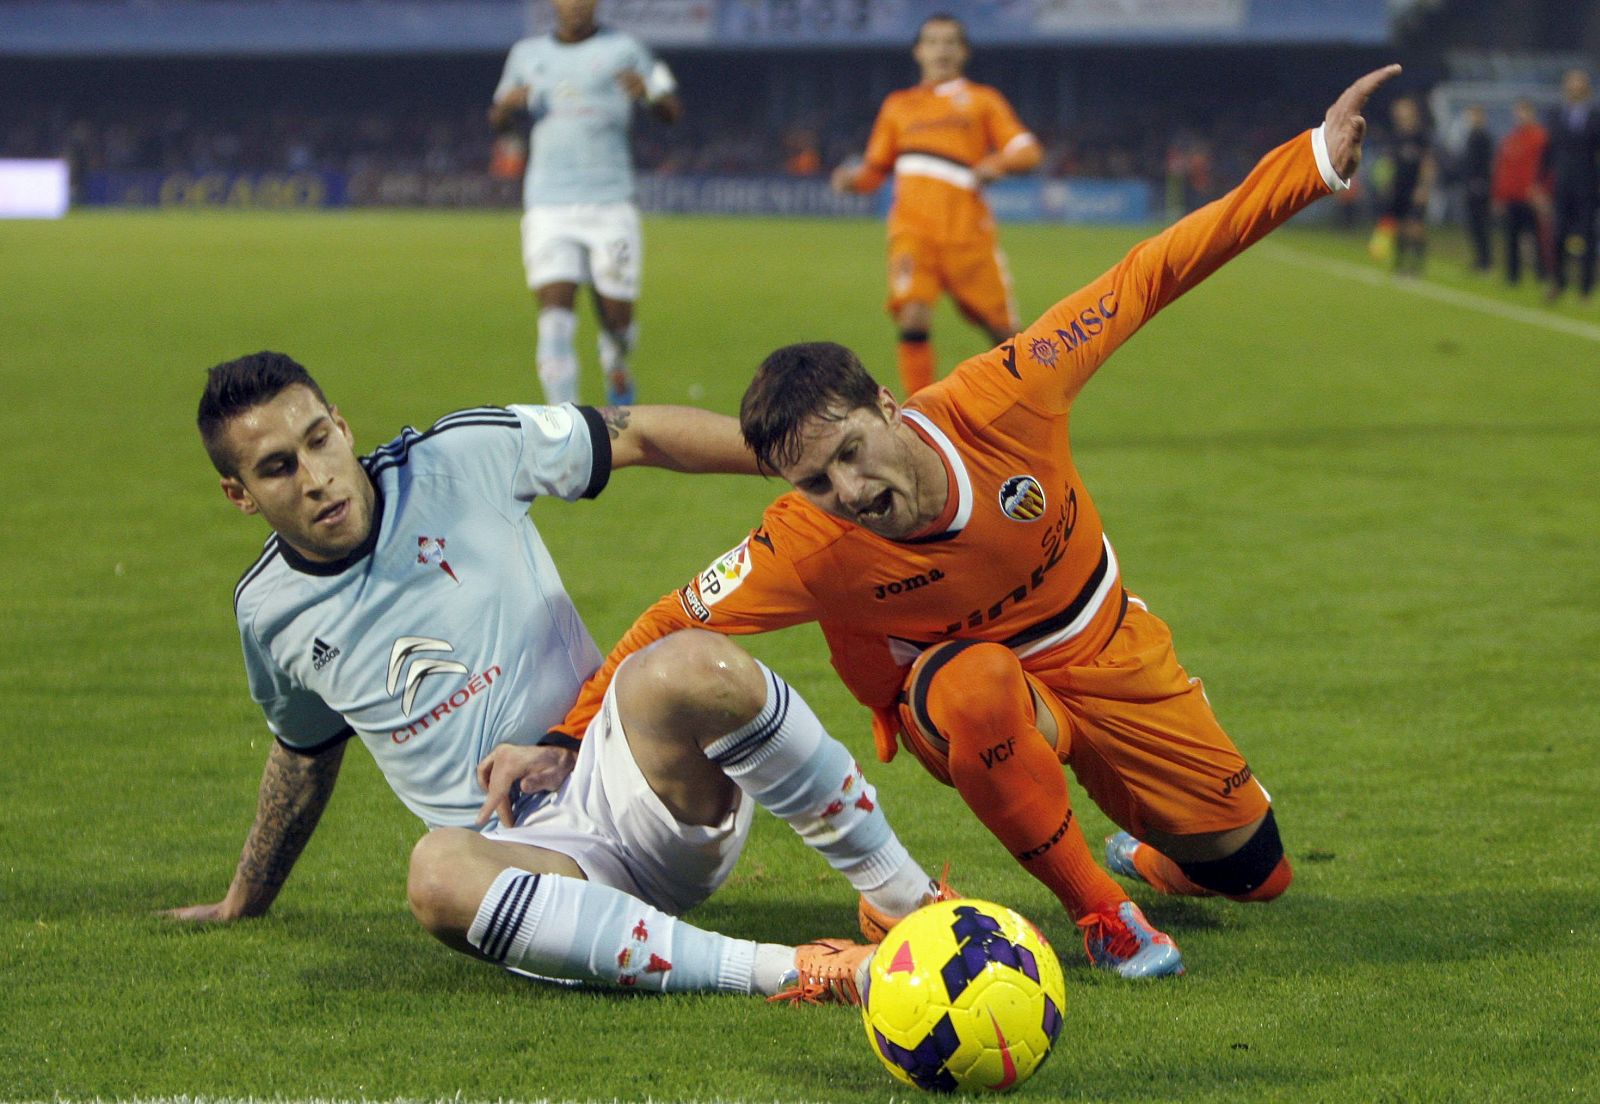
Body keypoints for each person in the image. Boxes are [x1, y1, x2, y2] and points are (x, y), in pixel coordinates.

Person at [559, 65, 1402, 980]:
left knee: (1257, 873)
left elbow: (1151, 272)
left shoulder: (1009, 393)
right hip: (973, 698)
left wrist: (1315, 159)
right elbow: (672, 621)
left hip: (1107, 642)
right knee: (973, 687)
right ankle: (1104, 916)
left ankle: (1154, 857)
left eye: (849, 451)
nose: (846, 489)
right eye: (815, 481)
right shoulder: (804, 542)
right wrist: (565, 739)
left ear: (887, 403)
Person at [163, 352, 951, 1006]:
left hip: (632, 777)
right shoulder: (269, 613)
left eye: (317, 441)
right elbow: (303, 753)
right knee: (436, 871)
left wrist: (798, 464)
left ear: (342, 426)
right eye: (276, 468)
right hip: (531, 870)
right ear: (239, 494)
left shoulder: (459, 458)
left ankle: (904, 900)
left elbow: (635, 434)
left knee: (689, 662)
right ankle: (799, 971)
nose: (315, 477)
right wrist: (246, 898)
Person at [830, 13, 1041, 397]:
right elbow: (875, 171)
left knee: (1004, 335)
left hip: (967, 235)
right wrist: (851, 180)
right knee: (912, 314)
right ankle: (922, 416)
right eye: (932, 42)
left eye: (950, 42)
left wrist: (999, 162)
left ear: (964, 52)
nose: (941, 50)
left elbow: (1027, 151)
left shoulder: (982, 101)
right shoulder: (898, 106)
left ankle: (1033, 406)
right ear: (918, 51)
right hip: (912, 231)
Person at [489, 0, 681, 407]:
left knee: (617, 319)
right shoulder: (526, 54)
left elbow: (671, 108)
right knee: (554, 319)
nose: (576, 5)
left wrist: (650, 93)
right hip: (547, 203)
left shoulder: (628, 49)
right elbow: (498, 118)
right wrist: (507, 107)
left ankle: (615, 358)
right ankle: (568, 427)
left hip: (610, 202)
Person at [1542, 69, 1600, 302]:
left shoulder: (1596, 116)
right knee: (1558, 235)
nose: (1574, 89)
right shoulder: (1557, 114)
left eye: (1579, 85)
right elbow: (1549, 151)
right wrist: (1539, 183)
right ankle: (1558, 282)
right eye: (1571, 85)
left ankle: (1585, 288)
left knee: (1587, 236)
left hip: (1588, 185)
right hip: (1562, 184)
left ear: (1585, 88)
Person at [1492, 99, 1551, 287]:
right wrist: (1498, 195)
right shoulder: (1509, 139)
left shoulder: (1540, 138)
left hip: (1532, 197)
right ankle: (1512, 276)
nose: (1520, 117)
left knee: (1538, 237)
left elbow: (1548, 167)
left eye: (1524, 112)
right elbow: (1501, 168)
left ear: (1532, 114)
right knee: (1511, 238)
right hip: (1512, 196)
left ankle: (1543, 275)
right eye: (1517, 113)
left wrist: (1543, 191)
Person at [1379, 95, 1436, 276]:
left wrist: (1423, 187)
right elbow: (1389, 162)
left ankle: (1417, 265)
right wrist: (1387, 182)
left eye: (1403, 109)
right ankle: (1400, 263)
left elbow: (1428, 163)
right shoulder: (1395, 136)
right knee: (1400, 226)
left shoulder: (1421, 136)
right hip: (1398, 187)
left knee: (1416, 226)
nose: (1399, 113)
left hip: (1415, 187)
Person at [1460, 105, 1494, 272]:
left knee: (1480, 225)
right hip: (1471, 185)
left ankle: (1485, 261)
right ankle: (1480, 259)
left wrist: (1481, 182)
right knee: (1474, 226)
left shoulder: (1483, 137)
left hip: (1479, 187)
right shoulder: (1472, 135)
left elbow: (1486, 163)